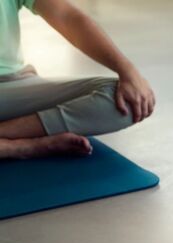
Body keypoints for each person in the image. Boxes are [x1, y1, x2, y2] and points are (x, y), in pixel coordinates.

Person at [0, 0, 155, 159]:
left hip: (15, 86)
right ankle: (23, 147)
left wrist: (128, 71)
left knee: (127, 102)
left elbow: (67, 16)